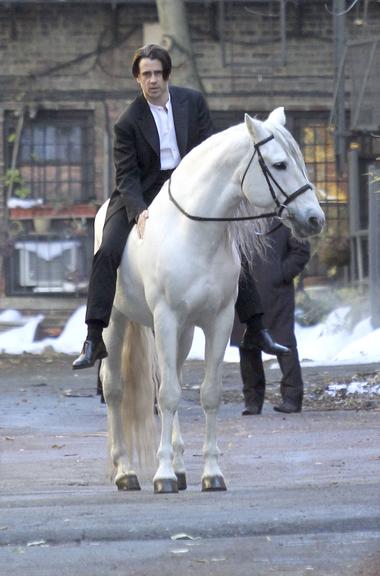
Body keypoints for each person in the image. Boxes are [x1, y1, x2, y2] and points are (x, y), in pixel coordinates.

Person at [73, 44, 287, 370]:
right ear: (137, 79)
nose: (153, 80)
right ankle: (93, 337)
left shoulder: (193, 102)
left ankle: (256, 327)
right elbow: (127, 176)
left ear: (167, 75)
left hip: (189, 186)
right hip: (142, 190)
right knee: (108, 249)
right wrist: (139, 210)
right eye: (146, 74)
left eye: (158, 73)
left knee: (228, 247)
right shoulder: (127, 122)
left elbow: (209, 150)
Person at [231, 220, 310, 414]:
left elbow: (301, 251)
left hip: (277, 294)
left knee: (284, 344)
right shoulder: (242, 217)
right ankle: (252, 401)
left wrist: (281, 274)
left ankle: (292, 398)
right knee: (247, 346)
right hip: (245, 291)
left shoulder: (285, 217)